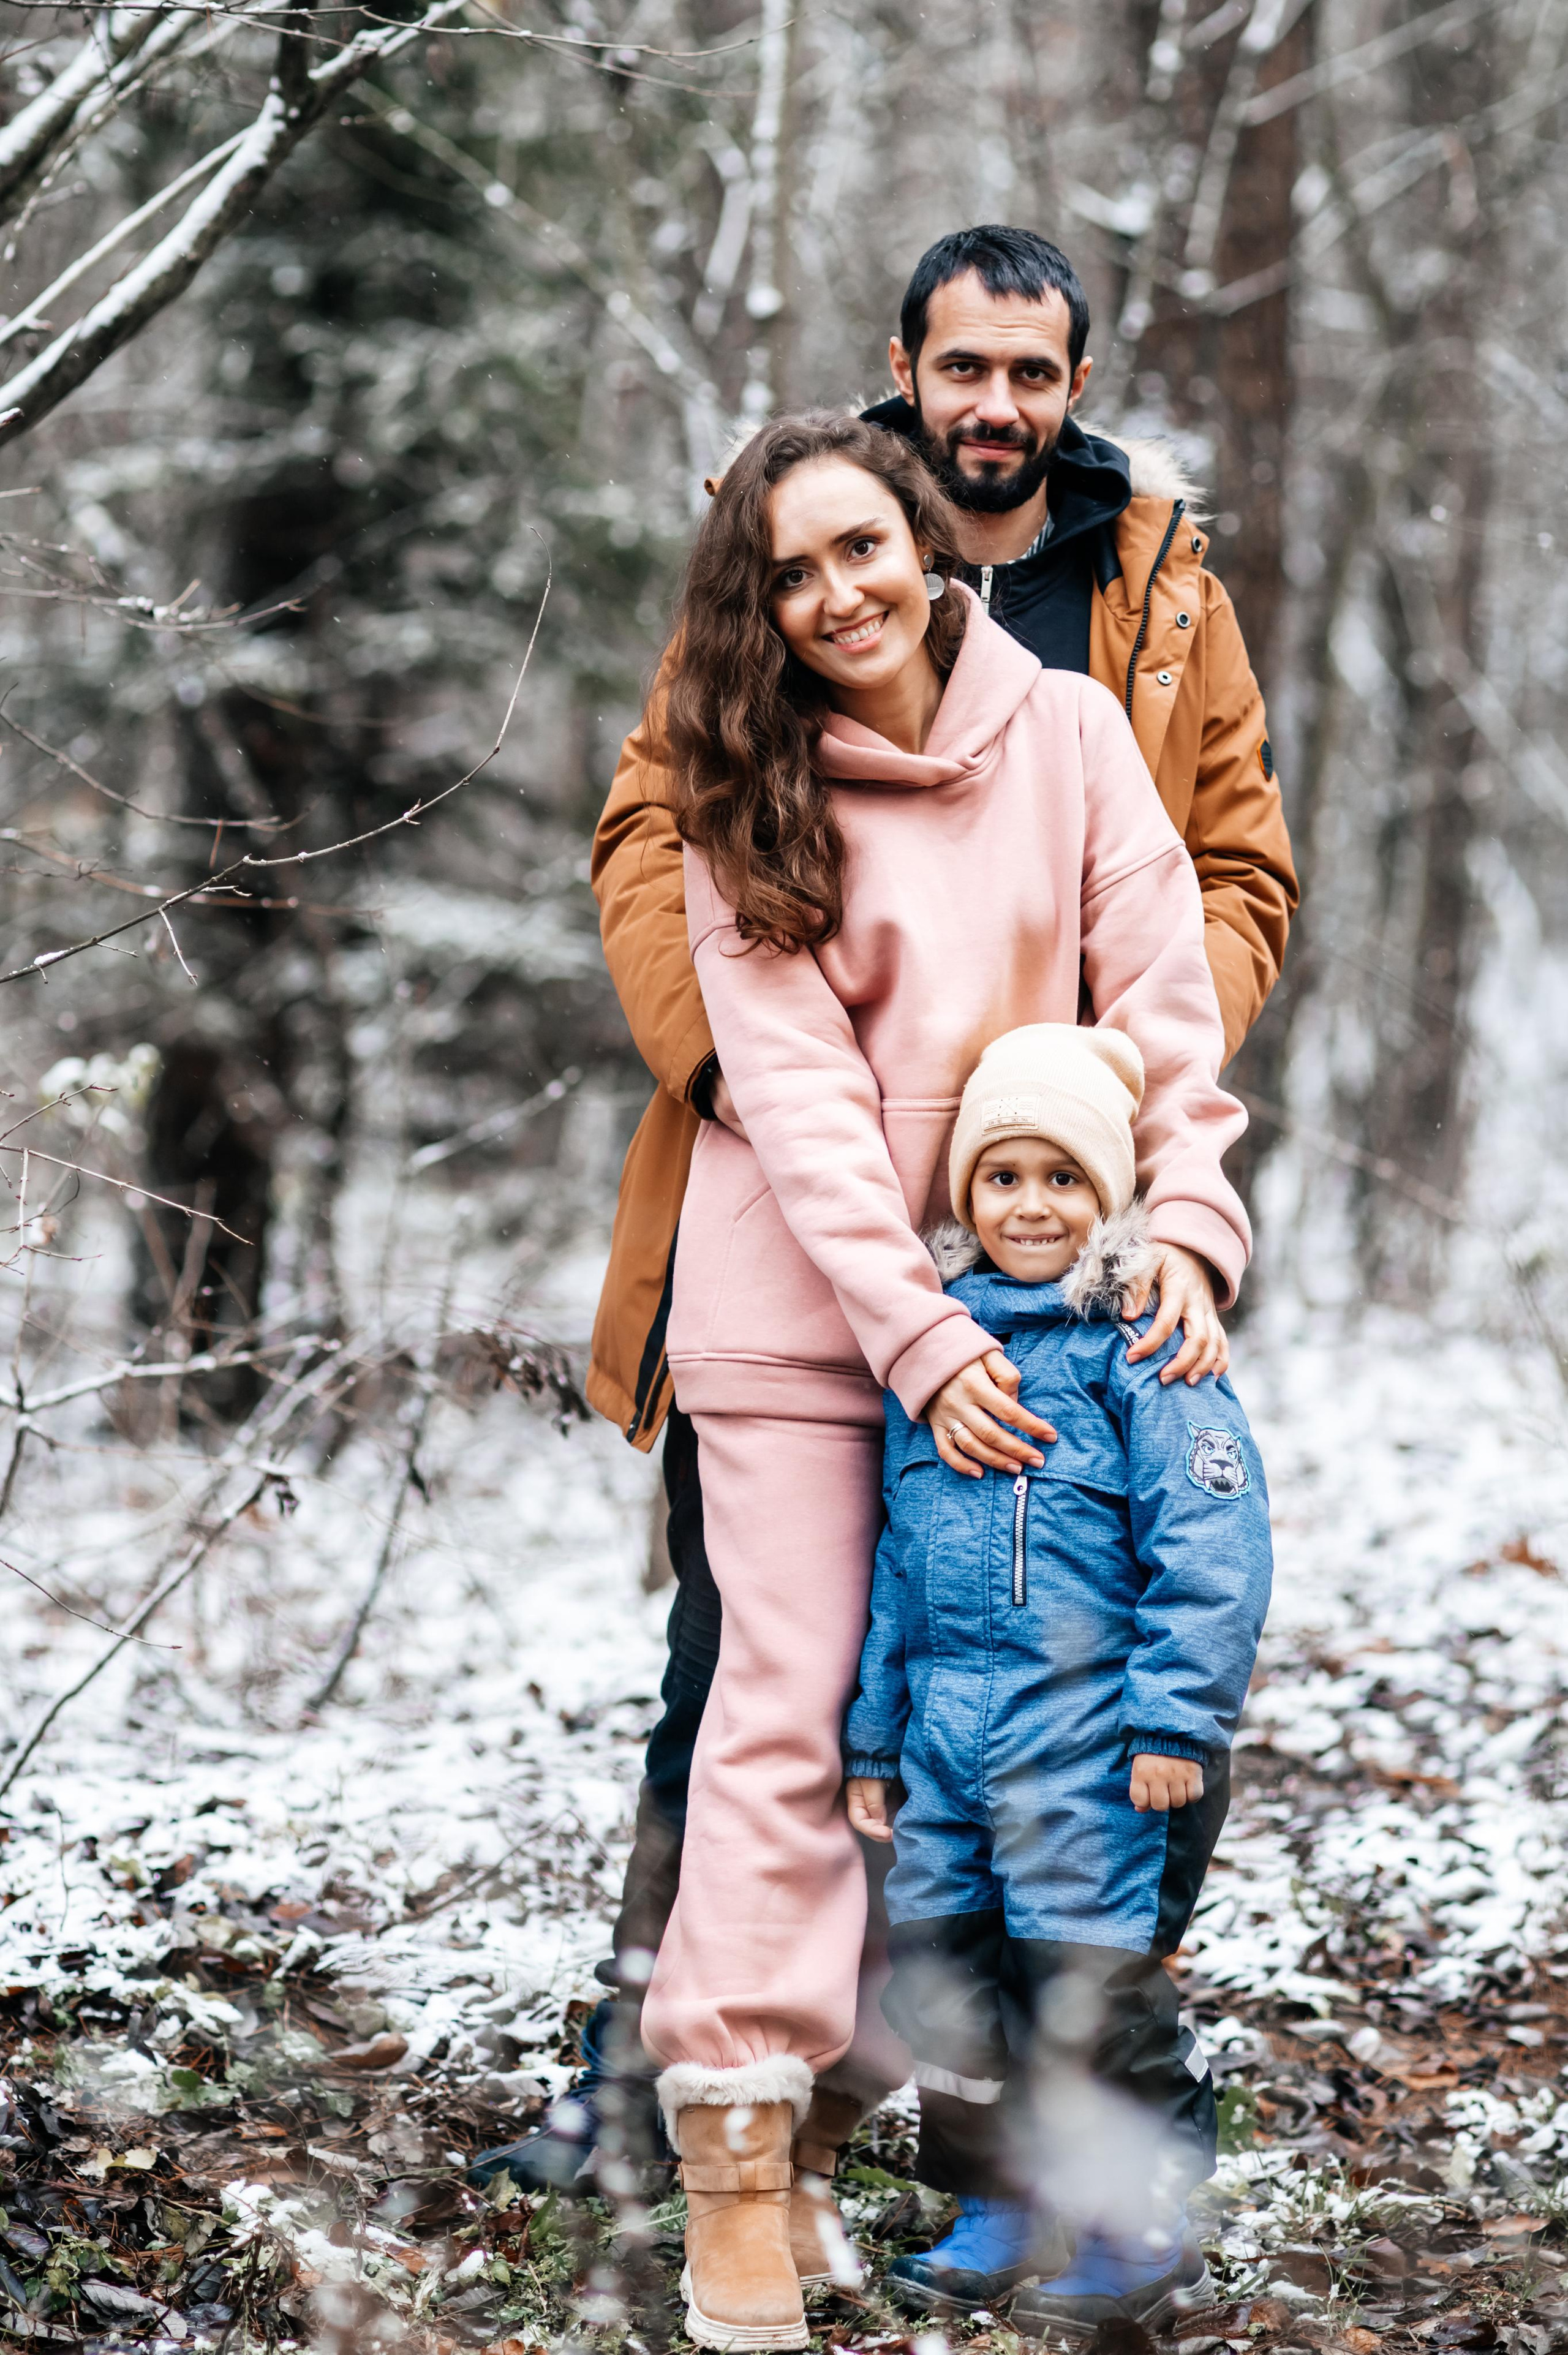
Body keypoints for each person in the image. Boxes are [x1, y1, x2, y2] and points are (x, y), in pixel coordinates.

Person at [474, 221, 1295, 2212]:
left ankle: (1007, 2122)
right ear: (907, 372)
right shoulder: (783, 558)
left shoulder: (1155, 601)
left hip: (1061, 1237)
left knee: (1074, 1667)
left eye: (1034, 370)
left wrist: (1103, 1125)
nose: (997, 401)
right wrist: (752, 1079)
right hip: (802, 1219)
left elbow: (1225, 881)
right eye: (964, 366)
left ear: (1074, 384)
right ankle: (654, 2083)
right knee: (754, 1674)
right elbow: (656, 832)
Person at [598, 409, 1254, 2351]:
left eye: (861, 548)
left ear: (928, 540)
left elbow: (1165, 1010)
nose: (837, 595)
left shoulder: (1070, 734)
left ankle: (853, 2134)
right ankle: (734, 2170)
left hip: (1033, 1305)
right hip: (808, 1323)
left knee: (971, 1739)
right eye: (790, 574)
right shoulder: (746, 775)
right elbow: (798, 1104)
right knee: (788, 1720)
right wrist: (924, 1335)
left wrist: (1186, 1228)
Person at [843, 1023, 1272, 2338]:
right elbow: (896, 1571)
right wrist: (876, 1741)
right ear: (965, 1194)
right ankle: (999, 2203)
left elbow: (1213, 1549)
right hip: (948, 1761)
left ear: (1111, 1195)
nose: (1030, 1205)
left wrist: (1175, 1720)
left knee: (1086, 1995)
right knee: (950, 1992)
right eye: (1002, 1176)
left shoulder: (1146, 1350)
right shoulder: (936, 1361)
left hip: (1088, 1758)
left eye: (1063, 1177)